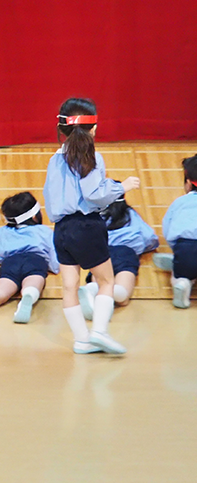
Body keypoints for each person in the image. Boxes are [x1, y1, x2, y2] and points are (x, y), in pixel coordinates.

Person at [42, 97, 139, 355]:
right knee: (107, 280)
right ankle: (99, 331)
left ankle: (82, 340)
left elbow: (49, 195)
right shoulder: (92, 156)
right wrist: (121, 187)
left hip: (61, 229)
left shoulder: (54, 160)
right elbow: (94, 193)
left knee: (69, 285)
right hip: (86, 226)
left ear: (62, 128)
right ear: (93, 128)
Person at [0, 192, 58, 324]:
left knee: (0, 293)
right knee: (33, 284)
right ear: (35, 216)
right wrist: (54, 268)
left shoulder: (2, 232)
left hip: (10, 262)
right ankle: (26, 298)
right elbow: (55, 260)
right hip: (35, 261)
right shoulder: (44, 231)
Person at [78, 193, 158, 317]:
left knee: (102, 287)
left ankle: (93, 289)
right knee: (123, 298)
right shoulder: (130, 213)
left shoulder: (95, 214)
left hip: (101, 253)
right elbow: (149, 237)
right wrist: (144, 248)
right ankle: (94, 290)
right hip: (126, 252)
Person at [152, 154, 197, 308]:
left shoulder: (179, 202)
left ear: (188, 183)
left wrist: (176, 248)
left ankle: (182, 283)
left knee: (181, 274)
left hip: (185, 248)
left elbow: (168, 228)